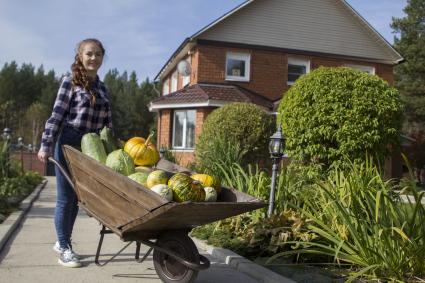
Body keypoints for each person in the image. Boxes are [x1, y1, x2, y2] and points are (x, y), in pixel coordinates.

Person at [38, 38, 112, 268]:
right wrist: (46, 144)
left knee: (78, 199)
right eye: (89, 54)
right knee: (66, 198)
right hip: (69, 142)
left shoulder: (102, 88)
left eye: (98, 54)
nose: (94, 58)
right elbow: (57, 115)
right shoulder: (69, 83)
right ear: (80, 56)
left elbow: (108, 124)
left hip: (92, 147)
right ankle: (65, 247)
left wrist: (111, 149)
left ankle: (62, 243)